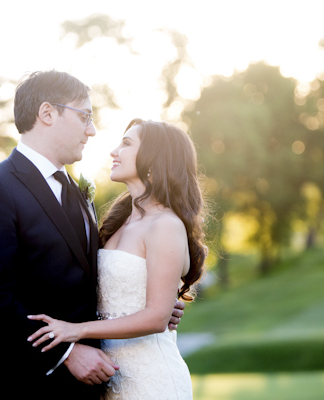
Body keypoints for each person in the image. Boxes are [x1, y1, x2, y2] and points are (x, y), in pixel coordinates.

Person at [0, 71, 184, 399]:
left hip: (86, 387)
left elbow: (86, 277)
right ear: (47, 113)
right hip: (18, 383)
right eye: (84, 117)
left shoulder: (79, 193)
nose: (91, 131)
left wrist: (150, 304)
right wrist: (65, 352)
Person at [27, 118, 207, 399]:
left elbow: (157, 318)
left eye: (126, 144)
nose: (113, 152)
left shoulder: (166, 225)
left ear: (153, 160)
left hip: (151, 379)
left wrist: (77, 331)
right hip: (110, 376)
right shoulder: (118, 222)